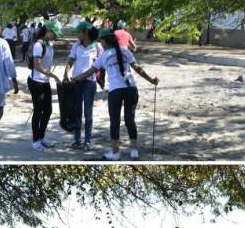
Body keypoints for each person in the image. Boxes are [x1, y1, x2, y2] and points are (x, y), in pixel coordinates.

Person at [72, 28, 159, 161]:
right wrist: (151, 80)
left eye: (100, 40)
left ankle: (115, 153)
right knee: (130, 120)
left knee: (115, 122)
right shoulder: (126, 51)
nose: (100, 43)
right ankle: (134, 151)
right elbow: (138, 69)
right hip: (131, 89)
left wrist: (76, 78)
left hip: (115, 91)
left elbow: (90, 72)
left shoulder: (104, 55)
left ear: (105, 41)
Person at [63, 21, 103, 152]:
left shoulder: (97, 47)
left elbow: (100, 65)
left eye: (79, 32)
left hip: (89, 83)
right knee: (76, 111)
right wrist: (65, 74)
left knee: (88, 112)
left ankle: (88, 141)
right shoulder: (76, 46)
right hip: (76, 82)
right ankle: (76, 140)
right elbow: (70, 61)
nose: (77, 35)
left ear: (86, 33)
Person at [27, 20, 63, 151]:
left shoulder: (49, 44)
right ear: (48, 31)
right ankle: (35, 140)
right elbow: (37, 65)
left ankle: (42, 137)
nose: (56, 36)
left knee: (48, 111)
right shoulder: (38, 45)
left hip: (45, 82)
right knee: (38, 111)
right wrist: (53, 76)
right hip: (36, 82)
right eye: (54, 33)